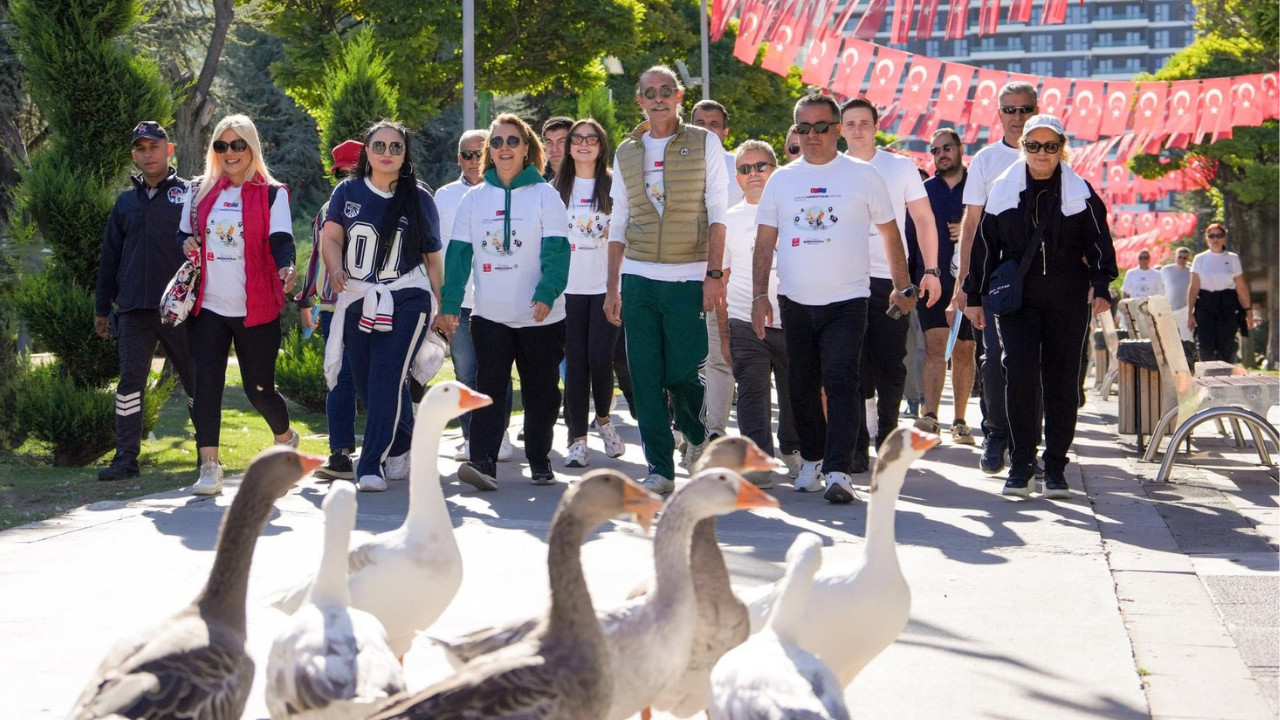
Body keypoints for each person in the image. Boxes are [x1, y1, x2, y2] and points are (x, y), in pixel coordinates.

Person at [752, 93, 911, 505]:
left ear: (837, 130)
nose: (811, 136)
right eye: (803, 128)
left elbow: (891, 233)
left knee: (841, 380)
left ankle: (839, 470)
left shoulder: (863, 175)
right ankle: (812, 459)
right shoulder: (781, 179)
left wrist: (902, 285)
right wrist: (757, 295)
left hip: (848, 299)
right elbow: (764, 242)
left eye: (820, 127)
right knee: (801, 385)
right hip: (795, 299)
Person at [963, 114, 1117, 499]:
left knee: (1063, 380)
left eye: (1051, 146)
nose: (1042, 153)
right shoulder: (1002, 191)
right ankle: (1021, 464)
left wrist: (1101, 284)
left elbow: (1099, 242)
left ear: (1062, 148)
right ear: (1023, 148)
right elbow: (985, 249)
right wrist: (974, 297)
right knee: (1019, 376)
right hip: (1018, 298)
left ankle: (1056, 466)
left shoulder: (1081, 193)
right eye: (1034, 145)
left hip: (1068, 294)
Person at [604, 65, 729, 494]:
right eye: (648, 92)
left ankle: (693, 433)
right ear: (638, 99)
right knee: (644, 376)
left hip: (688, 275)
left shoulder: (703, 141)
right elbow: (618, 220)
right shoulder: (625, 151)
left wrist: (713, 273)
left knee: (680, 374)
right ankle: (659, 467)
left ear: (678, 97)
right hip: (638, 275)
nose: (657, 98)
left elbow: (718, 211)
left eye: (665, 91)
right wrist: (612, 286)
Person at [439, 113, 570, 489]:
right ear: (488, 153)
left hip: (540, 317)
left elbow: (557, 253)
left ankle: (540, 458)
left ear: (527, 148)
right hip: (489, 315)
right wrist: (449, 305)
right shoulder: (472, 200)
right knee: (490, 389)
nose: (504, 148)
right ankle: (483, 462)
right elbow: (459, 256)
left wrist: (546, 293)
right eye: (496, 143)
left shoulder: (546, 196)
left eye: (512, 141)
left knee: (541, 392)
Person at [178, 114, 300, 495]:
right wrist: (186, 244)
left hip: (255, 307)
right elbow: (184, 234)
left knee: (259, 389)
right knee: (207, 385)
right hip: (208, 307)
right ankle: (209, 466)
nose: (229, 153)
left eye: (237, 145)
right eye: (221, 145)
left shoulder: (271, 192)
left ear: (251, 148)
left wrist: (287, 265)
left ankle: (285, 437)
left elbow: (281, 238)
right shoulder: (199, 190)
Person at [320, 121, 442, 492]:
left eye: (396, 147)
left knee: (388, 375)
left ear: (405, 154)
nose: (387, 153)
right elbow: (331, 239)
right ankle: (402, 442)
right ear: (366, 152)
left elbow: (433, 259)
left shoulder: (419, 197)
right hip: (358, 295)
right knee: (365, 383)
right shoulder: (347, 191)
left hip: (408, 295)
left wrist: (446, 307)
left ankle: (371, 464)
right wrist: (336, 267)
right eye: (380, 146)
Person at [839, 97, 942, 469]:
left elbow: (925, 220)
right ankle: (855, 443)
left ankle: (887, 431)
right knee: (850, 364)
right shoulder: (830, 168)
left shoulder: (900, 167)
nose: (857, 130)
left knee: (890, 363)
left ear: (875, 125)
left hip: (890, 281)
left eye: (864, 122)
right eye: (850, 123)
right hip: (842, 280)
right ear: (840, 129)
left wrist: (930, 271)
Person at [94, 121, 197, 481]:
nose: (147, 153)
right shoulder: (125, 203)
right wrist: (102, 308)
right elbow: (109, 258)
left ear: (169, 150)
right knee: (129, 383)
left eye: (154, 146)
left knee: (196, 379)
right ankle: (126, 459)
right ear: (134, 155)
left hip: (180, 308)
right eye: (140, 148)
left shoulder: (190, 195)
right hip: (134, 309)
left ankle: (206, 455)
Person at [952, 81, 1041, 476]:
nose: (1018, 118)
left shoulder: (1050, 155)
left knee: (1032, 364)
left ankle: (1029, 444)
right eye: (1010, 110)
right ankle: (995, 434)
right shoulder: (987, 160)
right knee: (993, 361)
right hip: (995, 276)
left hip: (1040, 276)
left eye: (1025, 110)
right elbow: (971, 223)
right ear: (999, 113)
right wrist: (965, 283)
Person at [719, 139, 800, 488]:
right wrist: (724, 334)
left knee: (795, 391)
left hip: (793, 317)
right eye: (745, 168)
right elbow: (720, 280)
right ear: (737, 177)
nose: (754, 174)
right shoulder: (726, 220)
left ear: (775, 168)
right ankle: (758, 459)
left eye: (761, 166)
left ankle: (794, 448)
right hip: (743, 319)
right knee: (752, 391)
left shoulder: (795, 208)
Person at [435, 129, 516, 462]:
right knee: (466, 373)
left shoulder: (513, 192)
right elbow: (435, 252)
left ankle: (500, 435)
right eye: (466, 154)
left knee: (497, 373)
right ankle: (472, 438)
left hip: (499, 301)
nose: (473, 160)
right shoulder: (443, 197)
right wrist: (441, 302)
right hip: (460, 304)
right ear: (459, 159)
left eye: (479, 152)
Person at [554, 118, 627, 468]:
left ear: (601, 146)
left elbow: (632, 232)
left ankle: (603, 418)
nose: (584, 144)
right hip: (567, 291)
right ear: (569, 146)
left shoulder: (616, 186)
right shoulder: (554, 189)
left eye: (592, 139)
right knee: (576, 366)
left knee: (601, 360)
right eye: (577, 138)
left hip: (605, 288)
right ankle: (577, 440)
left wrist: (619, 232)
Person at [295, 139, 361, 480]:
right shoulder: (327, 209)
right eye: (342, 173)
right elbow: (317, 259)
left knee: (381, 378)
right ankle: (340, 452)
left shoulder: (383, 205)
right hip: (334, 307)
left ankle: (397, 449)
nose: (347, 178)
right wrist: (307, 300)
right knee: (338, 378)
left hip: (371, 304)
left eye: (353, 170)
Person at [906, 128, 977, 445]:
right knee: (935, 347)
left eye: (947, 148)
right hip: (930, 280)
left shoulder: (978, 186)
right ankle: (931, 415)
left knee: (964, 350)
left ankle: (960, 421)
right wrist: (907, 280)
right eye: (935, 151)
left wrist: (966, 230)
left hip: (970, 283)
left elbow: (992, 228)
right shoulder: (924, 190)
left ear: (960, 149)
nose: (942, 154)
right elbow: (909, 237)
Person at [691, 98, 741, 440]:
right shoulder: (667, 164)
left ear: (724, 132)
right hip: (678, 274)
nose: (706, 129)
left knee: (719, 358)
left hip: (724, 278)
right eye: (699, 123)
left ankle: (715, 432)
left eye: (713, 124)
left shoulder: (738, 169)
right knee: (681, 362)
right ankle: (685, 426)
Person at [1188, 223, 1255, 362]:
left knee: (1226, 344)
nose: (1215, 239)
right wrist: (1189, 312)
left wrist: (1248, 310)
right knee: (1205, 344)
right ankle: (1207, 379)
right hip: (1206, 303)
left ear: (1224, 238)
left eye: (1219, 235)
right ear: (1207, 238)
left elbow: (1241, 286)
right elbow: (1194, 287)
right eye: (1211, 236)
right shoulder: (1200, 259)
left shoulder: (1232, 258)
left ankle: (1226, 377)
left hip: (1227, 304)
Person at [1161, 246, 1193, 341]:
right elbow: (1160, 287)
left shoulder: (1191, 271)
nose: (1181, 259)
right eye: (1180, 257)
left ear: (1188, 259)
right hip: (1168, 308)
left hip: (1185, 309)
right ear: (1175, 257)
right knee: (1168, 337)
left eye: (1184, 258)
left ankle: (1188, 355)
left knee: (1187, 337)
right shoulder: (1166, 270)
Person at [542, 116, 573, 180]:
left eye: (561, 142)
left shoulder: (588, 178)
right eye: (549, 142)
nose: (554, 149)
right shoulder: (535, 182)